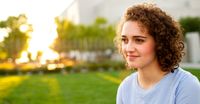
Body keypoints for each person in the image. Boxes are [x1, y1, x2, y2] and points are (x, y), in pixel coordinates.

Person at [114, 3, 200, 104]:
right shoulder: (125, 88)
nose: (128, 48)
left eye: (139, 40)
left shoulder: (185, 86)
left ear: (160, 42)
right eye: (124, 40)